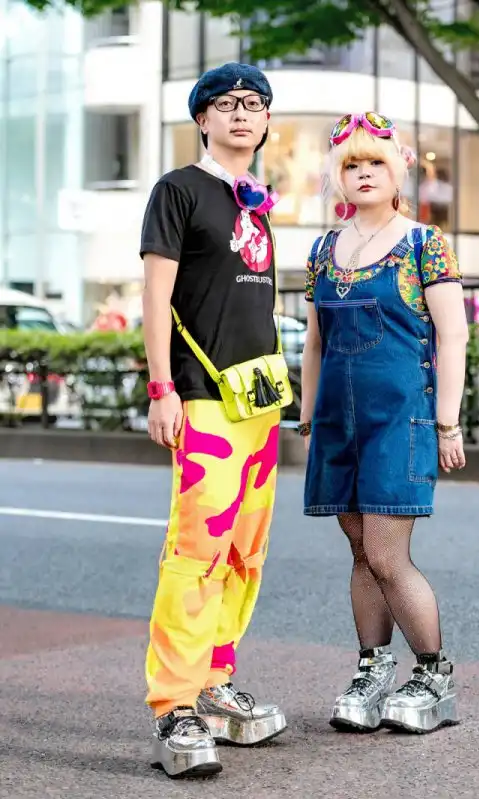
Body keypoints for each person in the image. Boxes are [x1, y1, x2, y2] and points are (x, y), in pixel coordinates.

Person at [139, 62, 287, 779]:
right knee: (196, 548)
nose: (241, 113)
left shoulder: (256, 201)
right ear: (202, 119)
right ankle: (174, 704)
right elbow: (156, 294)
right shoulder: (178, 190)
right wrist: (160, 387)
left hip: (259, 403)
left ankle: (214, 682)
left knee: (244, 551)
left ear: (266, 121)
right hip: (201, 397)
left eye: (254, 103)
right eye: (226, 103)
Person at [299, 113, 468, 735]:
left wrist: (447, 424)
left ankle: (434, 675)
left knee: (385, 553)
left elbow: (453, 336)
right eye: (352, 165)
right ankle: (373, 670)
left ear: (398, 171)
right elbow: (314, 342)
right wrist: (307, 415)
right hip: (337, 423)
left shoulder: (425, 243)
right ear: (337, 177)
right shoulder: (323, 251)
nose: (364, 173)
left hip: (402, 418)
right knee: (359, 551)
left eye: (376, 162)